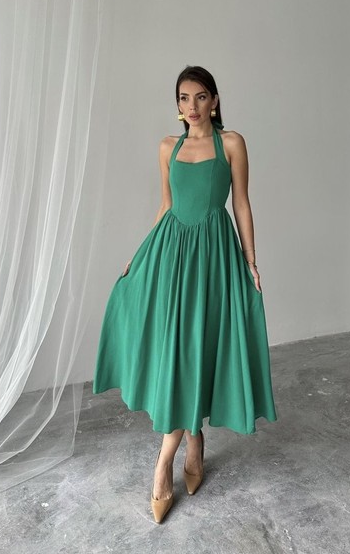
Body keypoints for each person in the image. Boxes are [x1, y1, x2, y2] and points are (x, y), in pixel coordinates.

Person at [93, 65, 277, 523]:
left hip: (214, 256)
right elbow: (166, 206)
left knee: (200, 349)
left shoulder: (231, 143)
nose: (191, 106)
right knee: (178, 354)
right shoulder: (167, 148)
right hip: (172, 256)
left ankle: (169, 461)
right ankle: (186, 447)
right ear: (176, 104)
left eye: (199, 97)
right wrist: (139, 256)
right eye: (183, 98)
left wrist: (250, 261)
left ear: (214, 101)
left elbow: (241, 203)